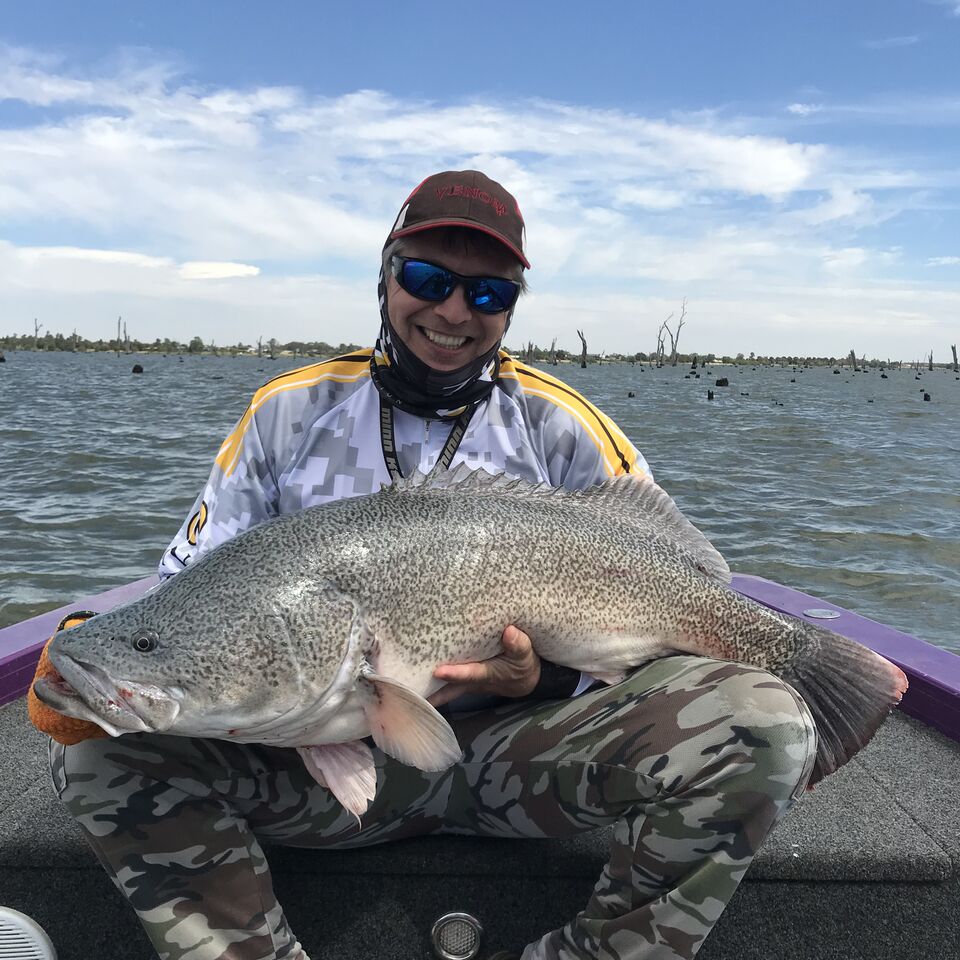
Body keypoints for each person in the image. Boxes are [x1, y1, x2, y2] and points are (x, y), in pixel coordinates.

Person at [44, 170, 817, 960]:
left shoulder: (563, 424)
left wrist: (543, 679)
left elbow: (681, 584)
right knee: (101, 755)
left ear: (512, 306)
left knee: (760, 719)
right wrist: (111, 654)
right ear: (385, 274)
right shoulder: (287, 411)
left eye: (488, 295)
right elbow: (197, 590)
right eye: (428, 279)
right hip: (316, 774)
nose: (453, 311)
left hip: (527, 755)